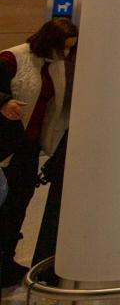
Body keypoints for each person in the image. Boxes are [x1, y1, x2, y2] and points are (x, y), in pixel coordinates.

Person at [0, 18, 78, 287]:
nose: (65, 54)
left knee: (19, 204)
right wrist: (4, 102)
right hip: (5, 146)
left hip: (29, 147)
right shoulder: (12, 58)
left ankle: (6, 260)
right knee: (4, 201)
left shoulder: (54, 67)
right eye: (63, 48)